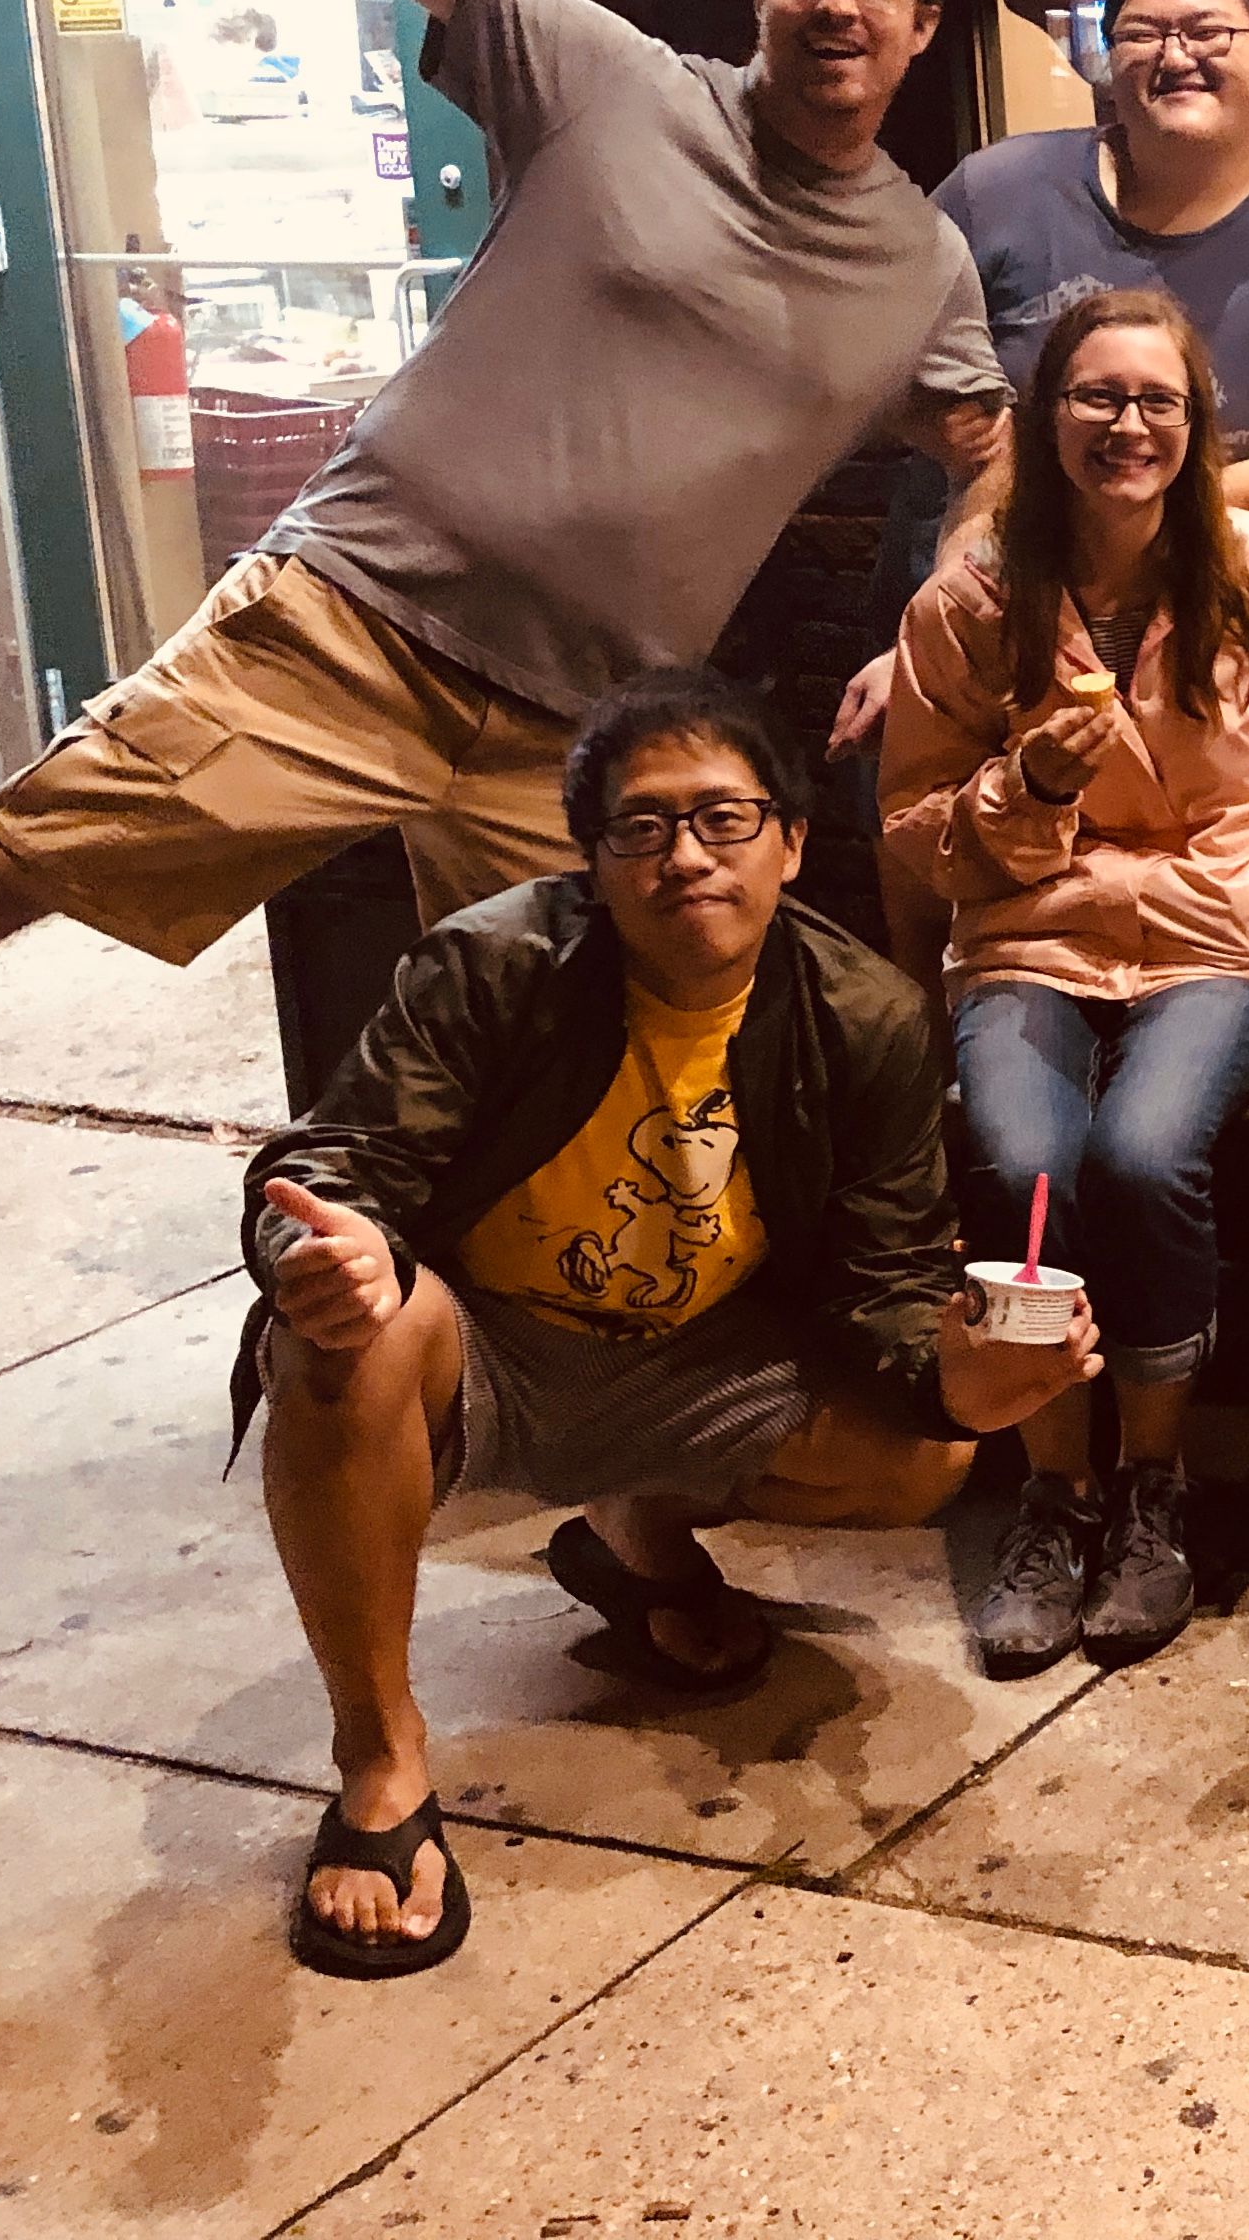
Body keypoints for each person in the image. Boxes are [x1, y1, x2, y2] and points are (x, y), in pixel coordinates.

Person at [0, 0, 1004, 965]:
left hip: (574, 742)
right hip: (348, 630)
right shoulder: (603, 78)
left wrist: (935, 619)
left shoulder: (925, 267)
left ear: (923, 26)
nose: (836, 3)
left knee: (561, 1067)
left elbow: (991, 451)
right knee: (25, 857)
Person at [239, 670, 1095, 1980]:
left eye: (723, 818)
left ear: (793, 842)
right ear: (593, 859)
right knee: (343, 1333)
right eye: (641, 828)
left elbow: (887, 1278)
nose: (685, 855)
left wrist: (957, 1379)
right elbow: (334, 1171)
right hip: (499, 1350)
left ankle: (639, 1534)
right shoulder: (494, 964)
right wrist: (320, 1252)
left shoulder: (861, 1015)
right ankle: (379, 1762)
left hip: (699, 1361)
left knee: (926, 1454)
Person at [880, 291, 1249, 1673]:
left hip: (1216, 929)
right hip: (1034, 930)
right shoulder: (975, 595)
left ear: (1198, 425)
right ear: (1046, 421)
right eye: (1096, 398)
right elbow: (914, 819)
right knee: (1028, 1159)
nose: (1128, 426)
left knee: (1147, 1157)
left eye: (1159, 401)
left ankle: (1152, 1488)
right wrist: (1023, 788)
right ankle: (1054, 1489)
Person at [831, 0, 1249, 757]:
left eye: (1208, 33)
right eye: (1142, 35)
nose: (1176, 57)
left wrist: (1156, 504)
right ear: (1107, 63)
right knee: (942, 844)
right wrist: (930, 630)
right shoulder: (996, 192)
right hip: (968, 593)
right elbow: (872, 352)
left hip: (1198, 644)